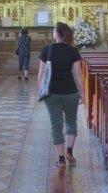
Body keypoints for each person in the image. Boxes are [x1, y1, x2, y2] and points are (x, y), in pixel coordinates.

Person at [38, 22, 85, 168]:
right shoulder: (73, 51)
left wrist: (41, 90)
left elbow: (41, 73)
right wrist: (82, 93)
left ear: (56, 34)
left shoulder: (47, 49)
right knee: (71, 120)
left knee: (56, 125)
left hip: (51, 92)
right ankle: (69, 151)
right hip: (70, 92)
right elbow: (78, 74)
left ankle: (61, 159)